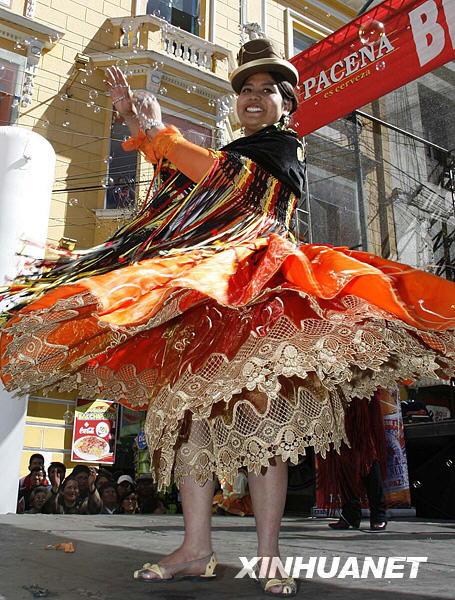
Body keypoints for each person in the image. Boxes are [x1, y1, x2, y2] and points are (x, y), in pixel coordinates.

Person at [0, 37, 454, 596]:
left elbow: (224, 185)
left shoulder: (282, 148)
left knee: (261, 426)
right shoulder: (239, 149)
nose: (255, 98)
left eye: (267, 90)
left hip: (262, 293)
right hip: (211, 295)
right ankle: (196, 548)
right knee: (190, 420)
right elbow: (193, 190)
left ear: (287, 104)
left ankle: (267, 556)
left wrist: (161, 135)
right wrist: (146, 134)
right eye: (246, 90)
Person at [317, 393, 388, 531]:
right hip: (336, 394)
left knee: (367, 455)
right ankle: (350, 513)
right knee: (341, 456)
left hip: (361, 393)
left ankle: (378, 513)